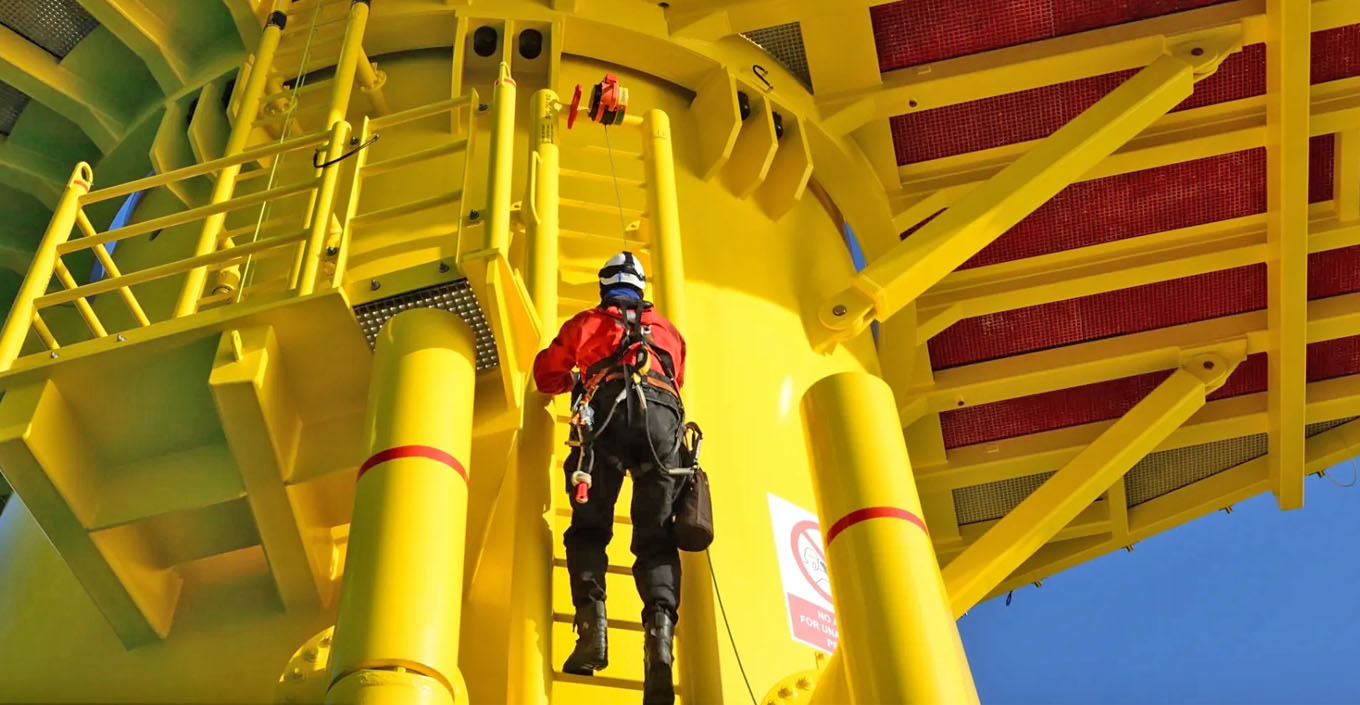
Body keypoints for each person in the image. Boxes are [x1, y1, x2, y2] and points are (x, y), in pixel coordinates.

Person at [532, 252, 687, 705]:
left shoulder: (587, 324)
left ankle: (592, 635)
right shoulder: (670, 333)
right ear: (642, 291)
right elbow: (677, 379)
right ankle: (659, 644)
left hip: (606, 420)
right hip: (664, 430)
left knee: (589, 530)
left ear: (605, 290)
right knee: (657, 541)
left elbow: (547, 376)